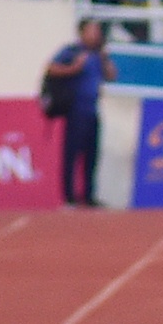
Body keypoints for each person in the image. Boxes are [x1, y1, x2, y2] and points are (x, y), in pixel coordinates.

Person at [43, 18, 115, 207]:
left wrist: (104, 58)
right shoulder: (72, 51)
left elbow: (111, 76)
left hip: (93, 110)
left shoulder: (98, 54)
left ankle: (89, 195)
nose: (96, 34)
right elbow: (51, 68)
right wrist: (73, 68)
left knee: (92, 155)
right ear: (82, 32)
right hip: (75, 110)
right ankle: (69, 196)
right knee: (71, 155)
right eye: (92, 30)